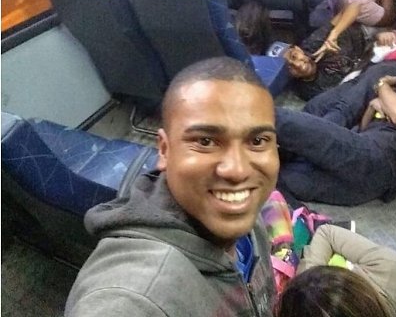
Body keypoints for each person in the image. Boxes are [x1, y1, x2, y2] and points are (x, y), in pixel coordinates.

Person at [65, 57, 280, 317]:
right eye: (205, 141)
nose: (238, 170)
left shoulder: (243, 206)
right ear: (164, 150)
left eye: (257, 141)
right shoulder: (135, 296)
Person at [276, 38, 396, 206]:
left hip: (375, 155)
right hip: (378, 180)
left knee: (279, 119)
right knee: (276, 178)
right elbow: (368, 125)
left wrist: (382, 85)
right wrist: (374, 105)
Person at [276, 224, 396, 317]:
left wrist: (307, 270)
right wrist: (307, 280)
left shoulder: (390, 265)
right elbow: (326, 233)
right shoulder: (392, 266)